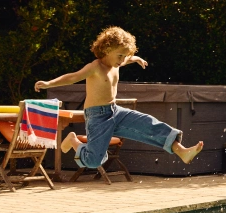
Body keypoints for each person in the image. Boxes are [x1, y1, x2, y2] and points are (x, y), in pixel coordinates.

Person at [34, 26, 203, 169]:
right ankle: (73, 141)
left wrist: (135, 58)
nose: (122, 60)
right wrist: (49, 83)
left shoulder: (118, 62)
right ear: (107, 50)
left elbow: (127, 58)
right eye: (119, 56)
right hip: (97, 117)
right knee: (94, 162)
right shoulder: (95, 67)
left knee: (149, 124)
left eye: (124, 56)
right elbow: (72, 77)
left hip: (115, 111)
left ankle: (181, 151)